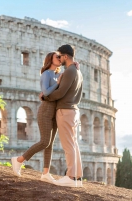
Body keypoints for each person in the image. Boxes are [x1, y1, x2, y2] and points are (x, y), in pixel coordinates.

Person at [11, 52, 62, 184]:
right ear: (50, 59)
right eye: (57, 56)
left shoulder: (57, 75)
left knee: (50, 144)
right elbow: (45, 92)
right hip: (45, 111)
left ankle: (46, 173)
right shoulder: (46, 74)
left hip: (55, 111)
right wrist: (58, 84)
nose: (60, 58)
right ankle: (19, 160)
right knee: (45, 141)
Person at [41, 44, 83, 187]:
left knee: (68, 145)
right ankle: (77, 178)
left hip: (65, 110)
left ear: (65, 56)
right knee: (74, 144)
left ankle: (70, 177)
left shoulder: (70, 71)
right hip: (73, 110)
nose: (59, 59)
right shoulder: (77, 71)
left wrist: (45, 97)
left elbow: (60, 92)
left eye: (60, 56)